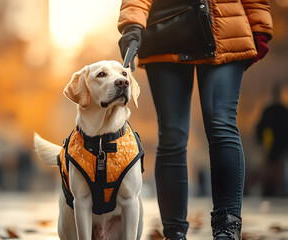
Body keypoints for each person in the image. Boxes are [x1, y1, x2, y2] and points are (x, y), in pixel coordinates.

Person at [117, 0, 273, 239]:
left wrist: (260, 24)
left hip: (224, 25)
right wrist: (132, 25)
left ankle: (226, 227)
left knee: (221, 125)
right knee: (172, 136)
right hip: (165, 28)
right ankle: (174, 232)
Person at [256, 83, 288, 196]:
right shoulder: (282, 110)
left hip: (271, 144)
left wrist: (261, 141)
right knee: (275, 167)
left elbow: (260, 127)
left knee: (272, 167)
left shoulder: (270, 110)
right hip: (276, 144)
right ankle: (274, 189)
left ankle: (272, 189)